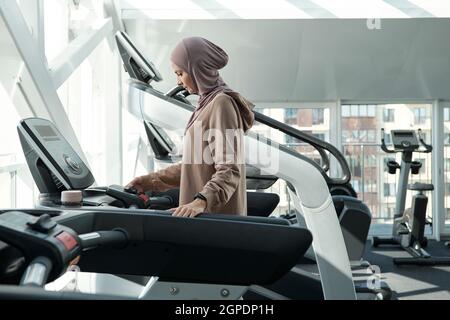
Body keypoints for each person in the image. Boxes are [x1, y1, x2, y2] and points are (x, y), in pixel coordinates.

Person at [126, 37, 254, 217]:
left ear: (197, 69)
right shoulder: (206, 104)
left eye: (180, 73)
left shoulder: (221, 104)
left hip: (214, 220)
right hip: (202, 217)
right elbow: (194, 164)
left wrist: (201, 201)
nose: (178, 82)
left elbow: (229, 169)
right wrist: (149, 181)